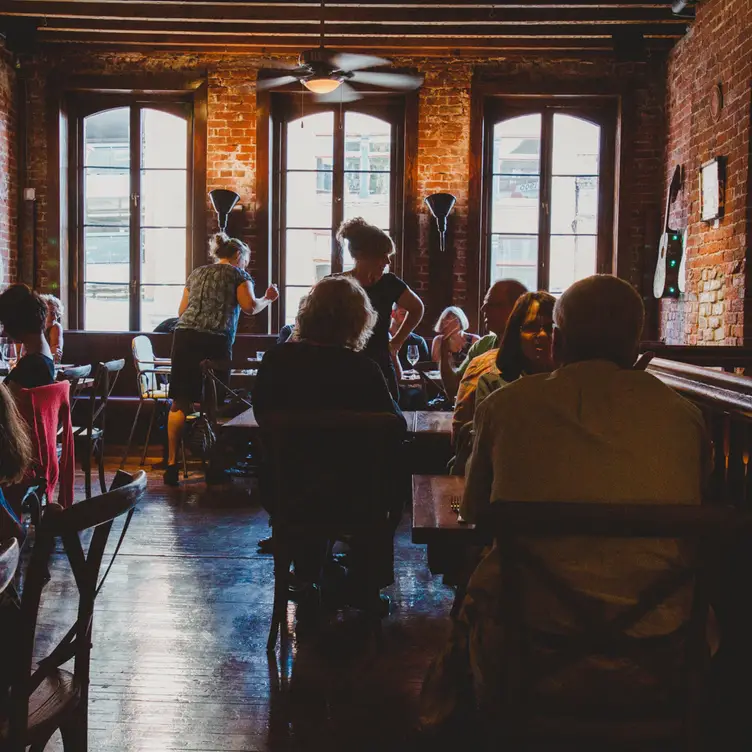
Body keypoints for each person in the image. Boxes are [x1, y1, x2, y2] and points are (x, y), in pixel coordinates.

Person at [421, 275, 708, 732]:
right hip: (660, 648)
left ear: (557, 340)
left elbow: (474, 513)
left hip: (530, 642)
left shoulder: (508, 407)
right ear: (636, 344)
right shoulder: (684, 416)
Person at [253, 276, 406, 612]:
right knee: (390, 486)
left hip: (286, 492)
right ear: (358, 321)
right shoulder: (363, 369)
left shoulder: (276, 361)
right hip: (353, 496)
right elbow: (395, 425)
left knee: (311, 488)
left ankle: (312, 573)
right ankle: (362, 585)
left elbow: (261, 416)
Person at [164, 232, 279, 486]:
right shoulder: (238, 275)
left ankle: (171, 465)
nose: (245, 265)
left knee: (179, 401)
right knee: (211, 402)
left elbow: (181, 311)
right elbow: (249, 307)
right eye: (245, 260)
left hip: (183, 338)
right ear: (238, 256)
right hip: (215, 340)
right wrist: (268, 300)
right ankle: (214, 468)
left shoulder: (196, 273)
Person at [451, 292, 555, 473]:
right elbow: (483, 452)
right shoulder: (492, 381)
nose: (543, 335)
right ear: (516, 333)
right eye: (532, 327)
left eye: (550, 328)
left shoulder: (570, 382)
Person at [336, 217, 424, 398]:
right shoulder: (336, 284)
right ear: (362, 256)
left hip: (381, 365)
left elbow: (417, 309)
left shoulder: (390, 283)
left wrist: (396, 342)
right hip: (343, 368)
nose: (388, 262)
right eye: (382, 255)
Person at [439, 279, 527, 401]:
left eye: (491, 304)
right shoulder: (482, 345)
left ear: (515, 308)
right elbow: (455, 390)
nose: (483, 309)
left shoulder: (531, 348)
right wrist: (444, 355)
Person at [0, 285, 55, 393]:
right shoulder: (44, 357)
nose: (4, 330)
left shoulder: (31, 366)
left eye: (4, 322)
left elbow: (4, 403)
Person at [390, 305, 430, 411]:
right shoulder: (383, 339)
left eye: (410, 316)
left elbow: (425, 372)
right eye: (403, 314)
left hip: (411, 387)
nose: (408, 319)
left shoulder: (418, 341)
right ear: (393, 314)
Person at [40, 294, 64, 364]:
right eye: (52, 314)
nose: (55, 317)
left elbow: (55, 355)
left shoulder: (56, 327)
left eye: (57, 314)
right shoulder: (33, 327)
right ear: (43, 313)